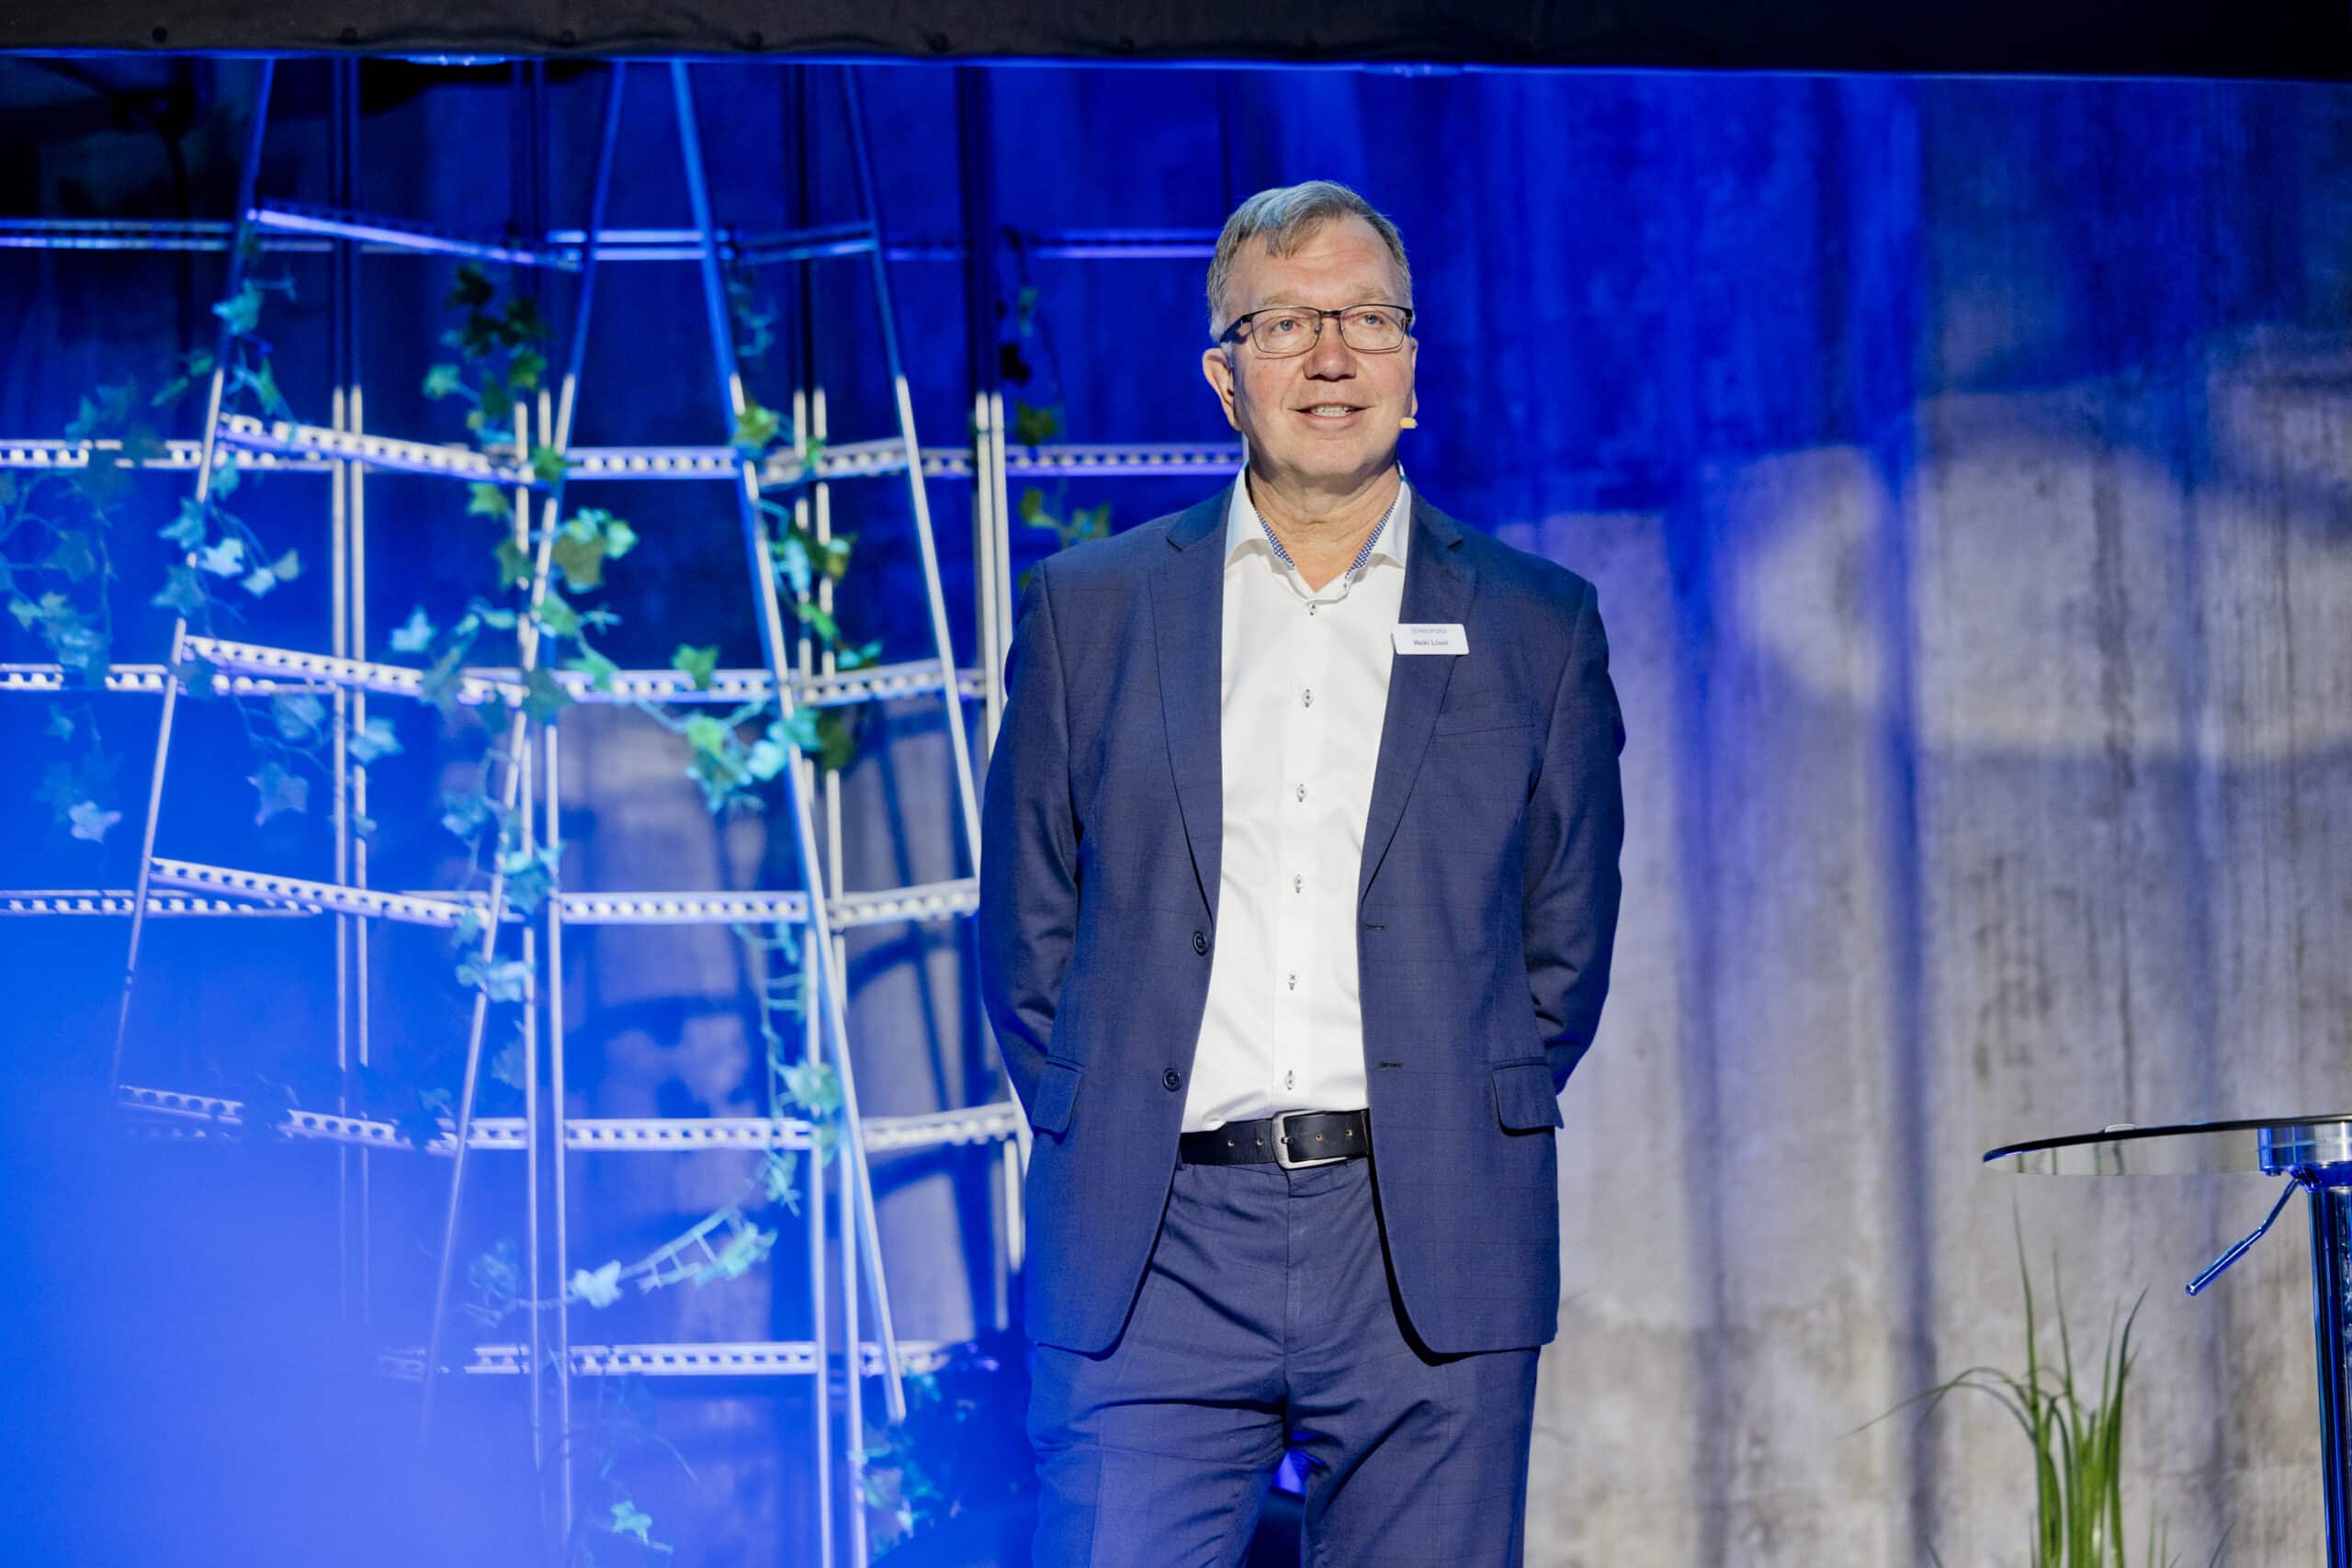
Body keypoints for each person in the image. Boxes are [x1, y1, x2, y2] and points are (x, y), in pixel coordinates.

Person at [978, 179, 1625, 1566]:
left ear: (1412, 366)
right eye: (1285, 326)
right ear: (1225, 379)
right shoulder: (1090, 613)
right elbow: (1029, 939)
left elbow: (1562, 952)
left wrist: (1446, 1112)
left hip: (1426, 1230)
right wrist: (1117, 1127)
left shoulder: (1538, 626)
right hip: (1152, 1242)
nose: (1331, 356)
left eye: (1367, 320)